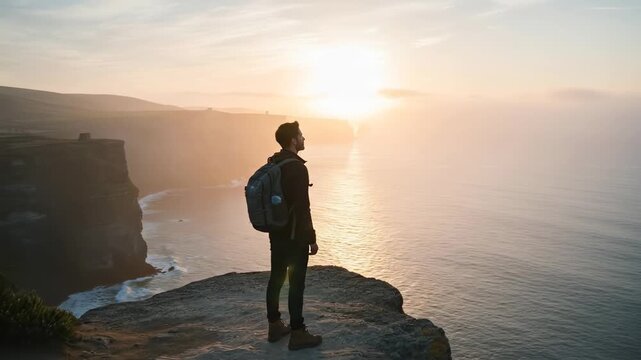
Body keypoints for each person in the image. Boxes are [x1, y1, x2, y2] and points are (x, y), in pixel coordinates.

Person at [266, 121, 322, 350]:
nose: (304, 139)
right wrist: (311, 238)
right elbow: (302, 207)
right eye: (301, 135)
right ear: (293, 140)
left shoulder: (274, 162)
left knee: (276, 279)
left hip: (276, 233)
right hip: (294, 235)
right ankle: (298, 333)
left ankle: (274, 325)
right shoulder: (298, 168)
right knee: (296, 284)